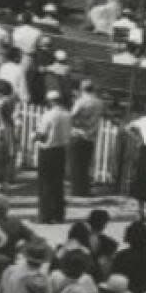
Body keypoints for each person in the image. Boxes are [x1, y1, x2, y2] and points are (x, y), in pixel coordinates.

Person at [35, 90, 72, 223]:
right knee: (58, 184)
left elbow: (42, 134)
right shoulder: (67, 115)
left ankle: (45, 215)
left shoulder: (48, 115)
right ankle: (58, 214)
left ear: (50, 101)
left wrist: (34, 136)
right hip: (61, 150)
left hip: (48, 150)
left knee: (45, 184)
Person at [70, 80, 104, 198]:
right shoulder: (99, 102)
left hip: (78, 134)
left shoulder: (81, 102)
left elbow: (72, 116)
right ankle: (84, 189)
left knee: (76, 164)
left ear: (82, 89)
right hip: (91, 135)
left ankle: (77, 190)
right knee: (85, 164)